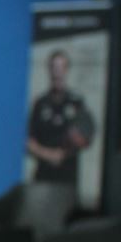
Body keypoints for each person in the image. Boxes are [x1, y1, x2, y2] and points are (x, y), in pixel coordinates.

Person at [25, 48, 95, 188]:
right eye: (54, 67)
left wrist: (65, 152)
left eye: (61, 67)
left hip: (67, 179)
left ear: (67, 70)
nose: (57, 72)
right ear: (49, 70)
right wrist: (49, 155)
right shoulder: (40, 103)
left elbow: (86, 138)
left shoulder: (76, 102)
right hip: (43, 177)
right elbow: (28, 141)